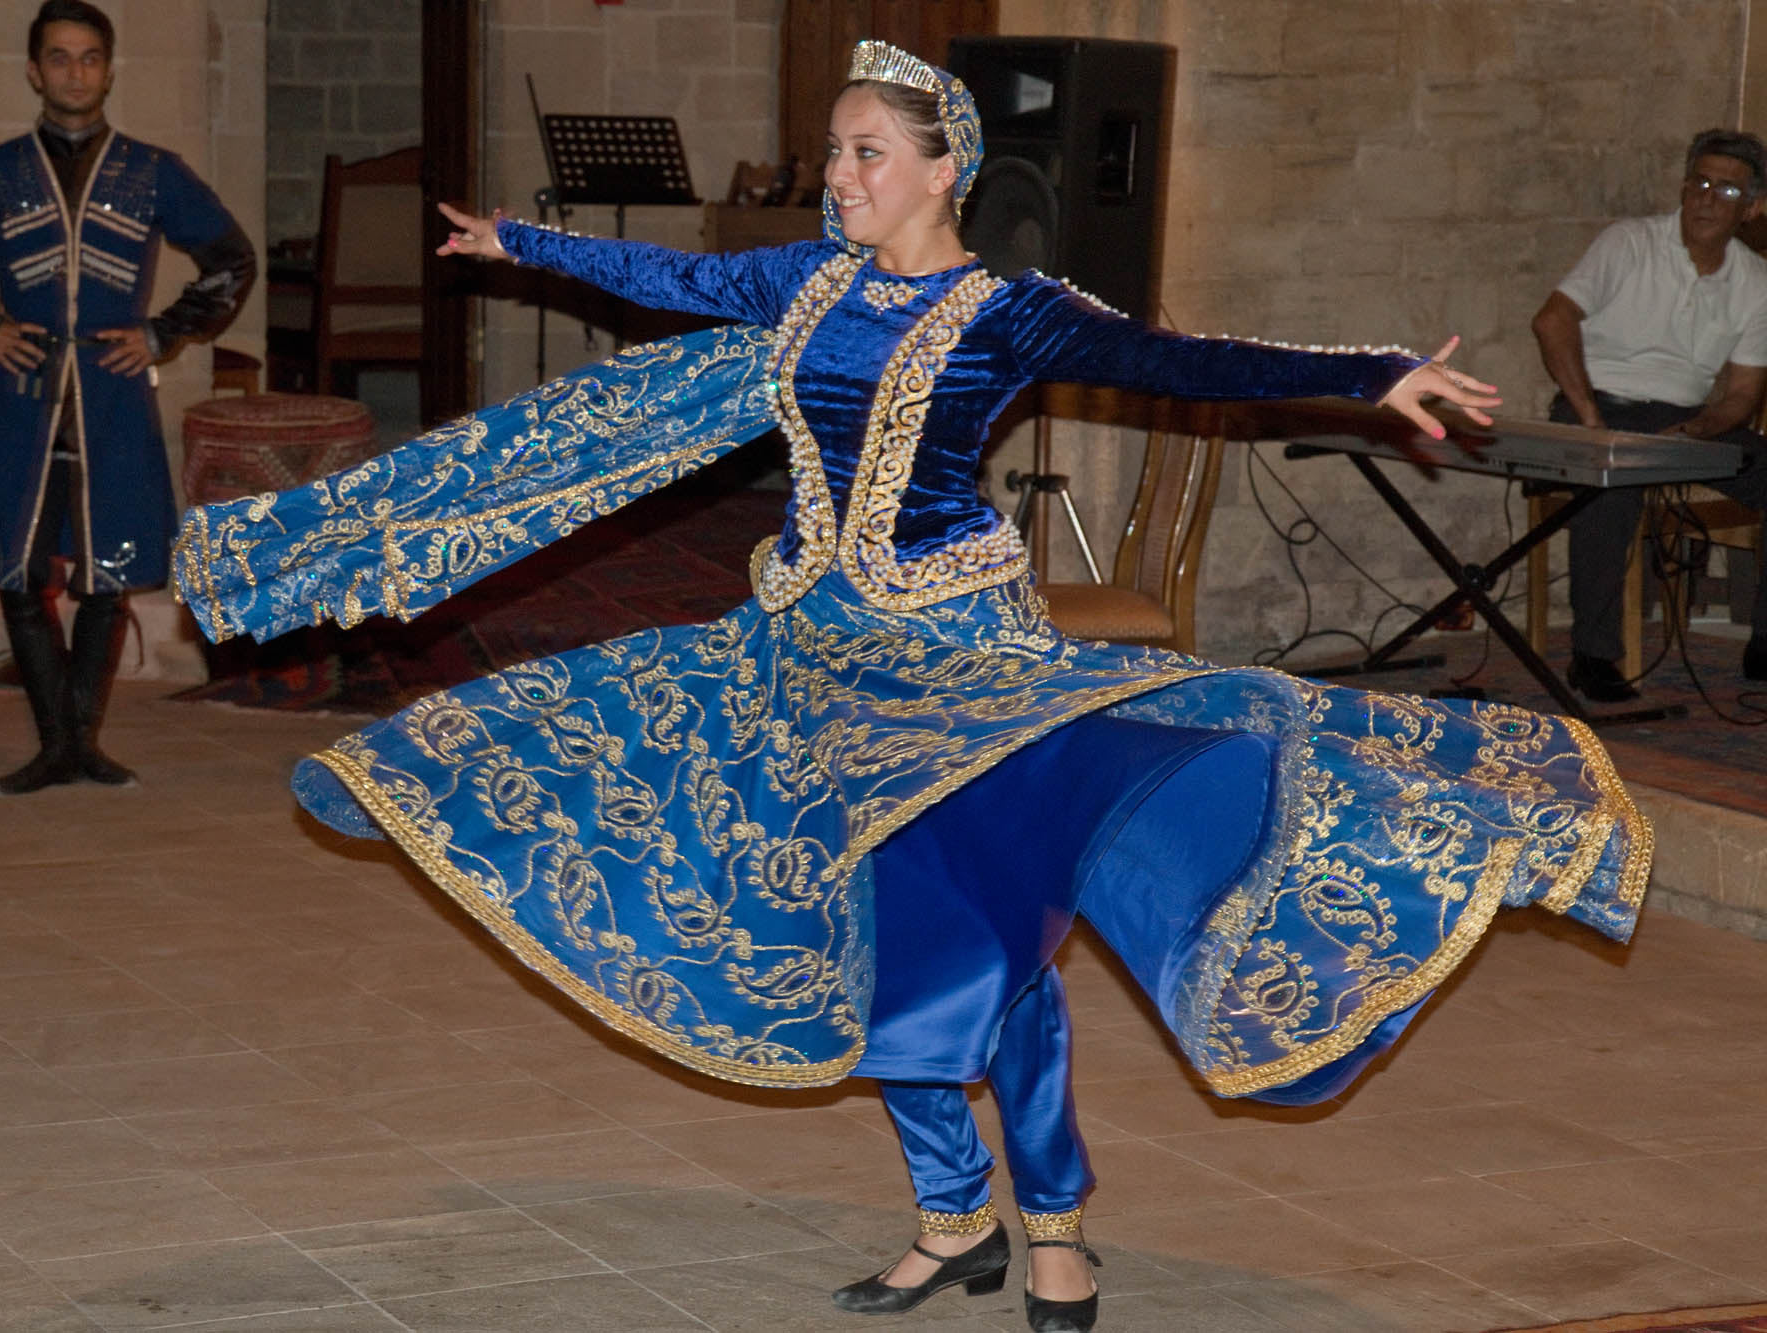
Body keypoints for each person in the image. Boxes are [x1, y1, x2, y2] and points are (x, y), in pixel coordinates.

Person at [174, 41, 1647, 1333]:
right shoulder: (800, 284)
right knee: (877, 932)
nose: (837, 175)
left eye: (865, 152)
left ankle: (1052, 1224)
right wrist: (524, 239)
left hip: (965, 661)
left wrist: (1370, 369)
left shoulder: (1013, 309)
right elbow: (667, 277)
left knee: (993, 937)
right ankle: (955, 1219)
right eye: (830, 151)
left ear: (947, 170)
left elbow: (1178, 358)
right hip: (819, 655)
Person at [0, 0, 255, 794]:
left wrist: (162, 335)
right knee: (20, 572)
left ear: (108, 69)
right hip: (25, 394)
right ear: (34, 71)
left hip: (112, 396)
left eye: (89, 58)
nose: (75, 72)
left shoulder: (153, 171)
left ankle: (80, 741)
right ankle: (56, 739)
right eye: (59, 58)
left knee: (107, 570)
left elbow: (231, 258)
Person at [1532, 128, 1767, 701]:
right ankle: (1594, 655)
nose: (1708, 199)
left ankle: (1765, 642)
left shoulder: (1757, 282)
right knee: (1613, 479)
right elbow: (1552, 321)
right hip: (1599, 404)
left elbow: (1741, 395)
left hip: (1688, 420)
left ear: (1754, 209)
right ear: (1685, 189)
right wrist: (1588, 415)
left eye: (1727, 191)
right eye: (1700, 184)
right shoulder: (1629, 242)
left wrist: (1696, 431)